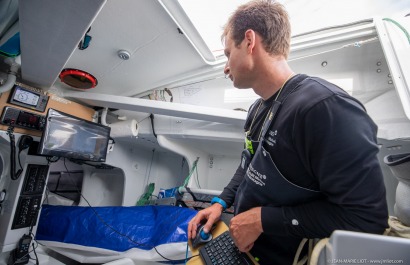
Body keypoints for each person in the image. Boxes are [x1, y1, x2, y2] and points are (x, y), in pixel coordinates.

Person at [188, 0, 388, 264]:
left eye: (227, 55)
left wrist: (262, 219)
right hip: (242, 245)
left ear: (249, 41)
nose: (226, 67)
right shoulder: (257, 109)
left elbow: (366, 218)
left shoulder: (324, 108)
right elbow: (249, 164)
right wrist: (220, 203)